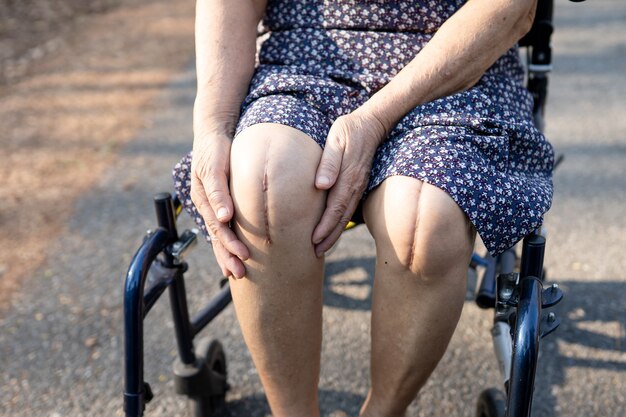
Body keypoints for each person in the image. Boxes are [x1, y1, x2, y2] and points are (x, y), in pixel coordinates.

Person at [173, 0, 553, 415]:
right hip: (307, 54)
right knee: (263, 181)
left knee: (425, 219)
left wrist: (374, 120)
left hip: (454, 67)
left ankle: (384, 411)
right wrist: (212, 124)